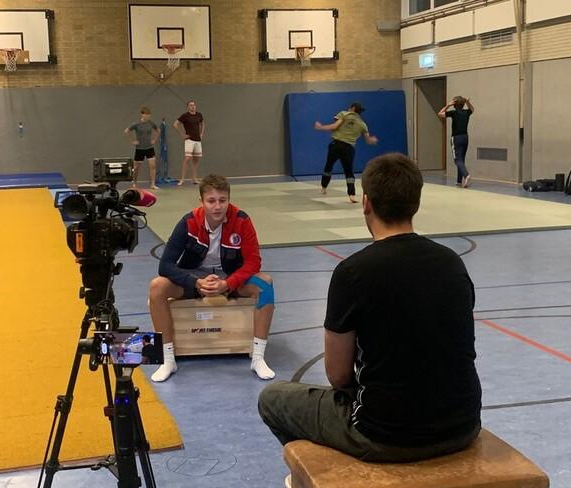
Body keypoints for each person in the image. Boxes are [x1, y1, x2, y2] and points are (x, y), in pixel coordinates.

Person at [258, 153, 482, 463]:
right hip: (463, 425)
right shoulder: (452, 263)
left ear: (366, 203)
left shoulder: (352, 272)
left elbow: (338, 376)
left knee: (272, 399)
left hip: (386, 435)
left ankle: (320, 479)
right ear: (416, 204)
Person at [148, 174, 276, 382]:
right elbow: (165, 265)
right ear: (201, 202)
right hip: (196, 278)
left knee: (265, 283)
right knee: (157, 287)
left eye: (222, 200)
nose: (217, 207)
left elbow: (253, 262)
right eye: (211, 201)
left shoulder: (242, 220)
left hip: (230, 278)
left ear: (229, 200)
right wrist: (195, 282)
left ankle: (258, 358)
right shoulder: (188, 222)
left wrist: (228, 283)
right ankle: (167, 359)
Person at [314, 102, 378, 203]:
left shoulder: (344, 114)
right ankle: (351, 195)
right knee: (349, 171)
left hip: (336, 144)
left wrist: (320, 127)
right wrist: (373, 140)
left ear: (352, 108)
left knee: (329, 166)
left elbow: (334, 126)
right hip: (349, 148)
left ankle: (324, 187)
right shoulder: (363, 124)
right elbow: (368, 140)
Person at [438, 96, 474, 188]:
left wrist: (448, 105)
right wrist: (468, 103)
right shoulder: (466, 112)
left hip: (456, 138)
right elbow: (472, 109)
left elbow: (440, 113)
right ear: (462, 104)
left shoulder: (454, 113)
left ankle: (466, 175)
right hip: (465, 137)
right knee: (462, 159)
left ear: (454, 104)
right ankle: (459, 181)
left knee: (457, 160)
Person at [124, 107, 160, 190]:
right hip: (140, 149)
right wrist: (133, 141)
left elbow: (158, 130)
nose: (147, 116)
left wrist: (154, 139)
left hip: (149, 148)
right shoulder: (136, 124)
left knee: (152, 166)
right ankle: (134, 183)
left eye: (148, 115)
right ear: (142, 114)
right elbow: (126, 131)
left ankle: (152, 184)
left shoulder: (151, 123)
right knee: (136, 167)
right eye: (146, 114)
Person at [173, 100, 205, 187]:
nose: (193, 107)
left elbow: (202, 123)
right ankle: (182, 179)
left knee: (196, 159)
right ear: (188, 107)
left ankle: (194, 178)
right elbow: (175, 124)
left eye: (194, 105)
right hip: (189, 140)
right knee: (187, 158)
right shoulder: (185, 116)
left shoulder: (199, 115)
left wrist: (201, 133)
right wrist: (182, 135)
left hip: (197, 140)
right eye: (191, 105)